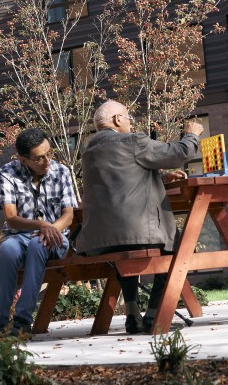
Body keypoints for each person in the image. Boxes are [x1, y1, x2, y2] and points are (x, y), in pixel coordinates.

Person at [76, 99, 204, 333]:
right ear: (117, 120)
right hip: (137, 232)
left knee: (123, 254)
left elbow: (121, 183)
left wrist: (160, 179)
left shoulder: (89, 151)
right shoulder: (132, 141)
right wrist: (191, 135)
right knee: (178, 248)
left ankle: (133, 313)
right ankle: (154, 314)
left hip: (98, 240)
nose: (131, 124)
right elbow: (177, 154)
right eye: (129, 119)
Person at [0, 128, 77, 337]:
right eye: (39, 158)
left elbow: (68, 216)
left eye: (49, 154)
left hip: (56, 237)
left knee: (38, 244)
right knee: (7, 249)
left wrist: (50, 228)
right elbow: (11, 217)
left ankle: (22, 320)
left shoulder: (61, 172)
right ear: (24, 160)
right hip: (19, 236)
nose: (47, 161)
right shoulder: (8, 173)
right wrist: (39, 224)